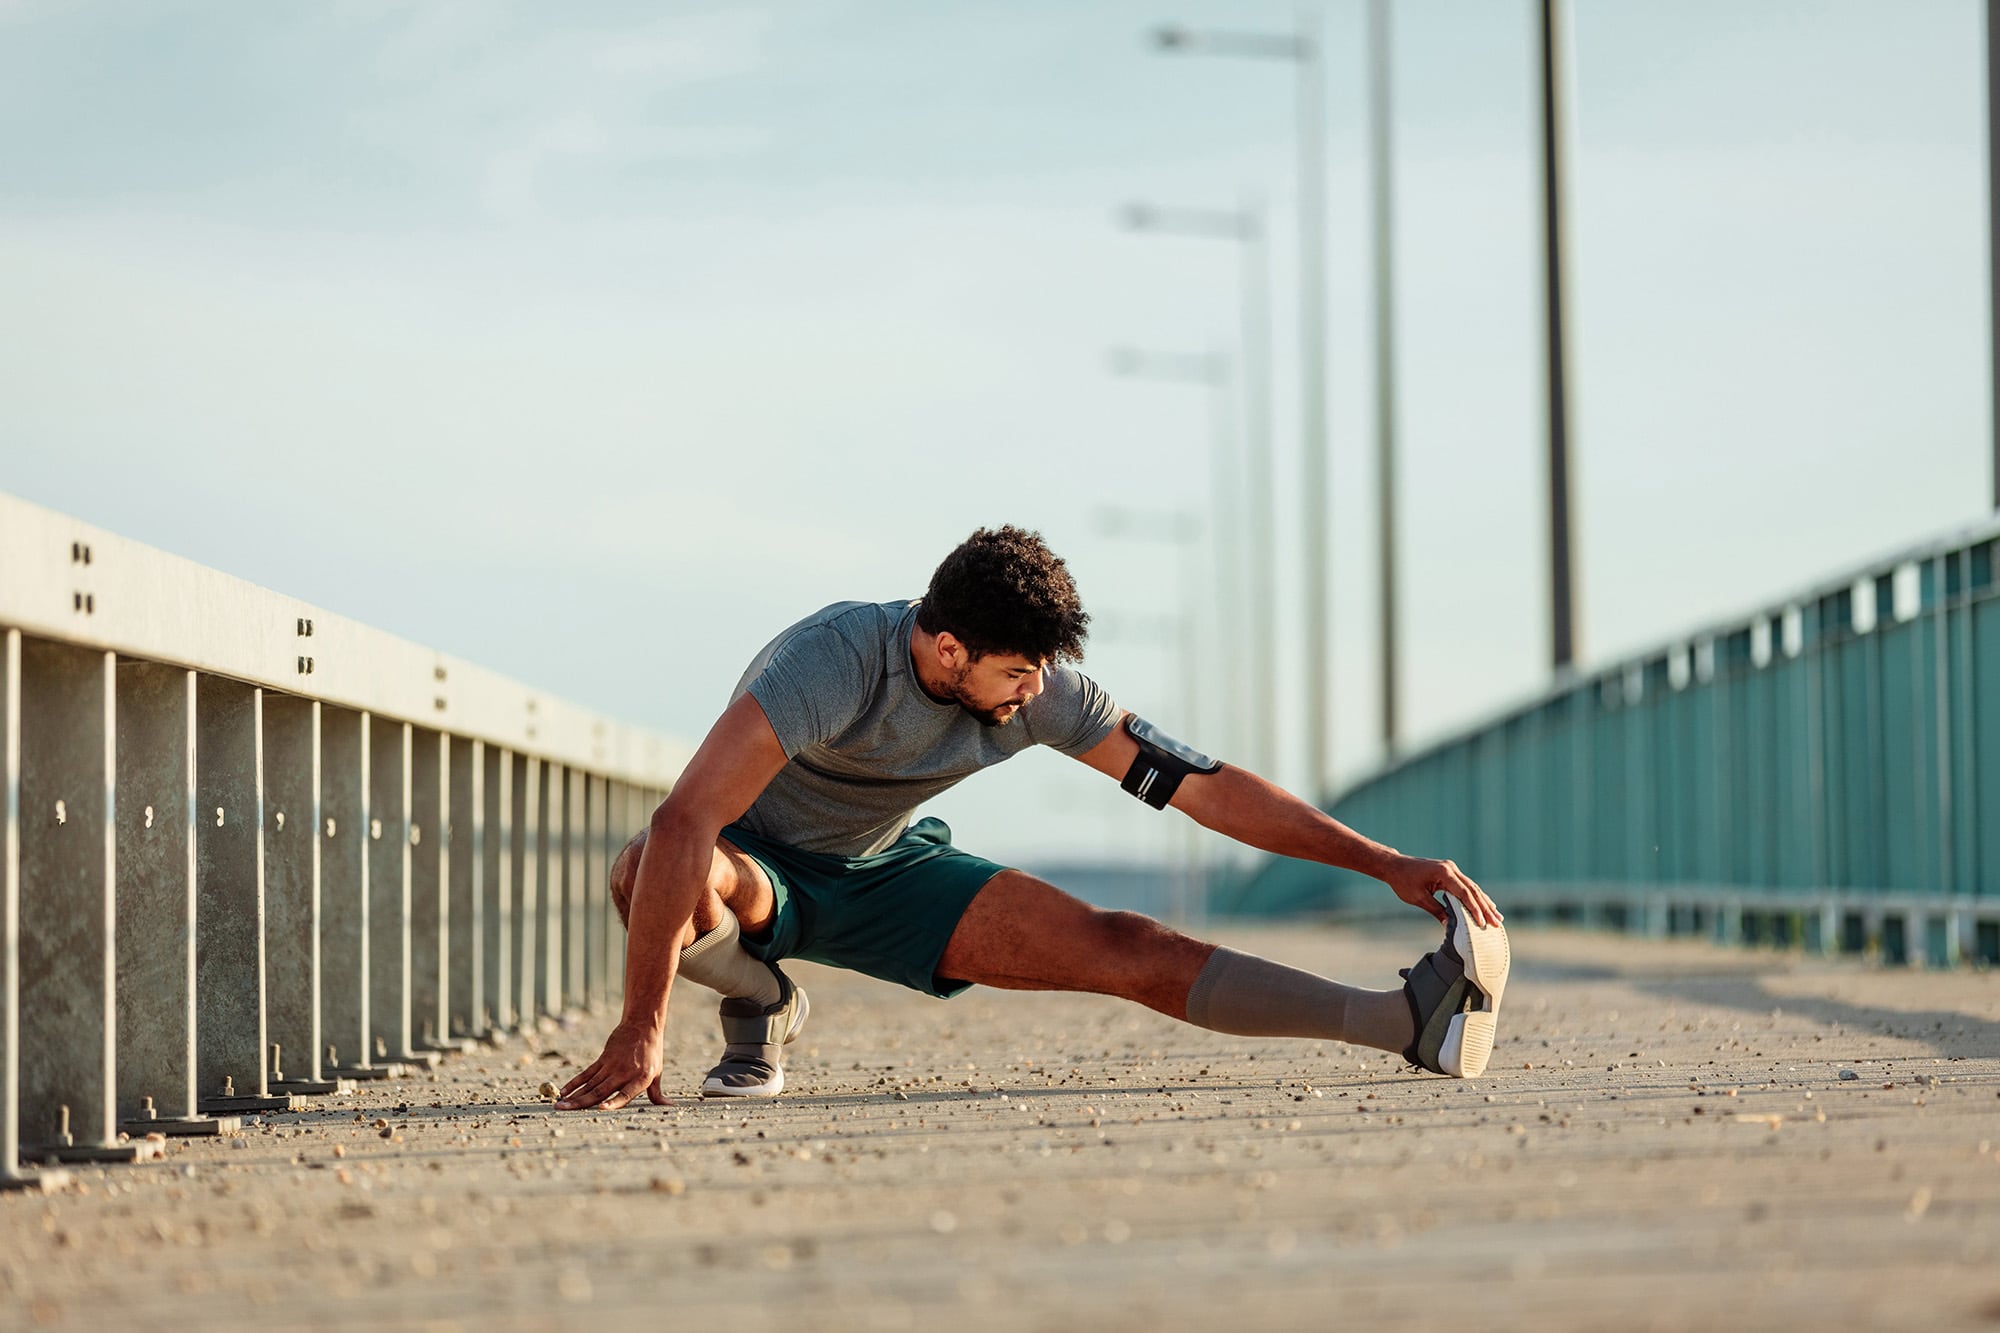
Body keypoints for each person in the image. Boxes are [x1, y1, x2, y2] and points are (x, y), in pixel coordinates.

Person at [558, 526, 1506, 1111]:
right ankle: (761, 1000)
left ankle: (1403, 1022)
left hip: (890, 870)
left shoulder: (1039, 689)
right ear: (947, 646)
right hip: (756, 861)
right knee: (649, 866)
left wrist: (1382, 861)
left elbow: (1205, 787)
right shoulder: (831, 660)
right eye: (1014, 673)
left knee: (1128, 942)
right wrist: (641, 1026)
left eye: (1041, 672)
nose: (1032, 694)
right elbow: (687, 820)